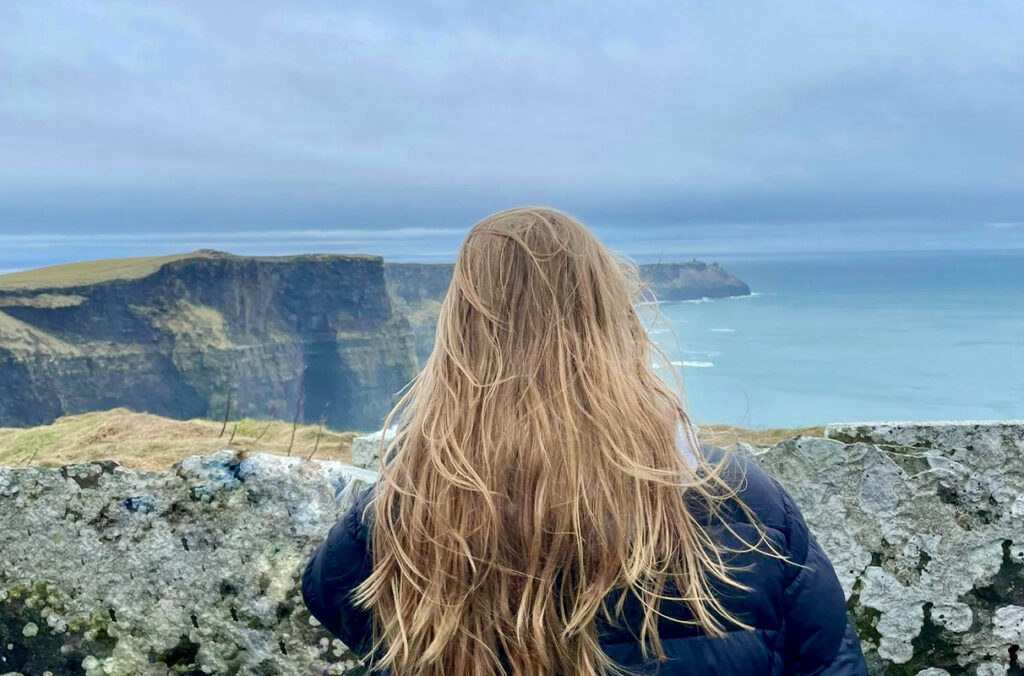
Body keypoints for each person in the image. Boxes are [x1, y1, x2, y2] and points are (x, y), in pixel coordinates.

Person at [302, 207, 868, 675]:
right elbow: (826, 661)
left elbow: (333, 597)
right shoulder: (740, 498)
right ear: (615, 321)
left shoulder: (409, 506)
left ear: (460, 336)